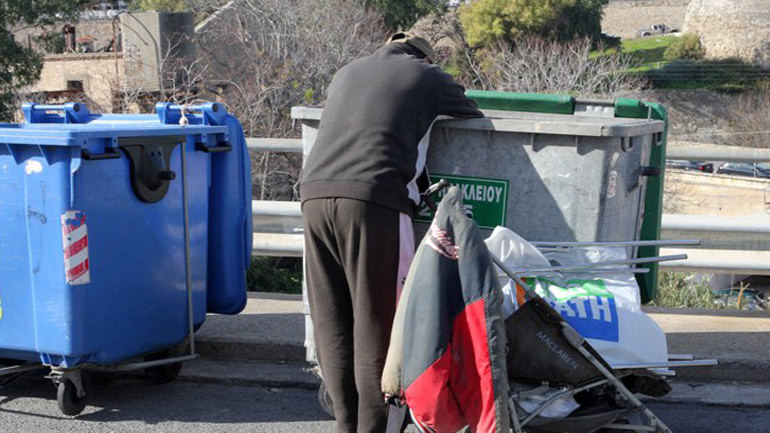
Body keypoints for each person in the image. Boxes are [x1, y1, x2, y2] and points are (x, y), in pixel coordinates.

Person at [300, 32, 483, 433]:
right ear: (423, 56)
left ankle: (346, 424)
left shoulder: (346, 72)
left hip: (313, 196)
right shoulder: (428, 76)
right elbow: (470, 109)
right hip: (375, 200)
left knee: (332, 320)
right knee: (378, 324)